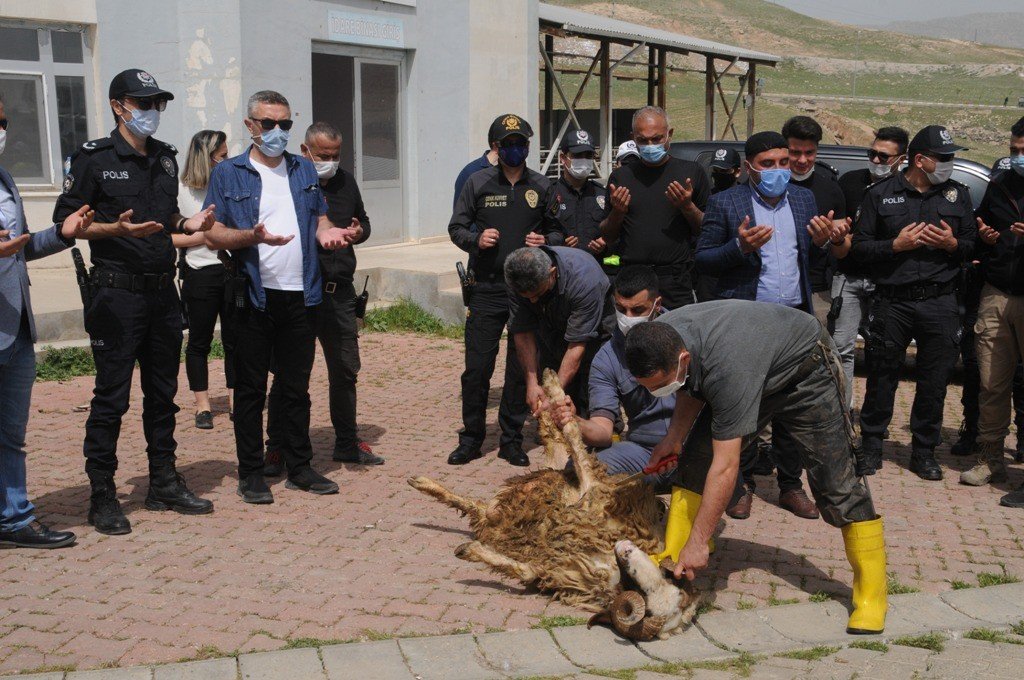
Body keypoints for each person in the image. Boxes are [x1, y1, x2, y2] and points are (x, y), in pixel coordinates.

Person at [624, 301, 886, 635]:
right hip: (750, 366)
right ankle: (675, 558)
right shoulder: (664, 337)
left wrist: (702, 539)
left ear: (682, 358)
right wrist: (674, 437)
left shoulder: (728, 368)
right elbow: (690, 384)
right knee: (694, 460)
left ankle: (872, 596)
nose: (657, 393)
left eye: (659, 385)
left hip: (806, 371)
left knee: (837, 483)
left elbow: (727, 466)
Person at [53, 69, 217, 535]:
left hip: (163, 292)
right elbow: (67, 224)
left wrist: (189, 224)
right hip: (116, 293)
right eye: (142, 103)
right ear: (117, 105)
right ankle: (102, 493)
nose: (151, 112)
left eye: (157, 104)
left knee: (163, 394)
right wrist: (114, 229)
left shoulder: (165, 160)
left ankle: (163, 480)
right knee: (111, 397)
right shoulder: (93, 159)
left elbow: (165, 217)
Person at [205, 90, 352, 503]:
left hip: (301, 295)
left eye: (284, 124)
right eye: (268, 124)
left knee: (295, 388)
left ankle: (300, 466)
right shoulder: (228, 173)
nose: (276, 132)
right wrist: (250, 236)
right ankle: (251, 472)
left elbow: (319, 219)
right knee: (250, 389)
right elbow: (211, 232)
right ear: (250, 126)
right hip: (252, 295)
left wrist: (331, 234)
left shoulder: (303, 169)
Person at [696, 130, 844, 521]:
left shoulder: (804, 198)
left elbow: (809, 254)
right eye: (768, 164)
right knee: (744, 406)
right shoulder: (725, 202)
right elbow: (704, 258)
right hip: (748, 322)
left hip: (794, 320)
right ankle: (741, 484)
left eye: (783, 162)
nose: (779, 170)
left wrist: (825, 240)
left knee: (792, 406)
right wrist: (739, 248)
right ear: (749, 168)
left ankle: (790, 486)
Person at [851, 125, 976, 480]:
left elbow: (972, 246)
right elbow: (860, 249)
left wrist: (952, 245)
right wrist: (895, 246)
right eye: (944, 158)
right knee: (881, 376)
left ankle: (923, 451)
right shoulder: (880, 194)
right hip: (892, 302)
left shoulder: (958, 195)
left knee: (935, 381)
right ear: (920, 160)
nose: (950, 164)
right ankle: (872, 446)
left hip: (940, 302)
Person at [0, 96, 94, 549]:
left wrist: (61, 233)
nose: (1, 129)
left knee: (10, 437)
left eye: (2, 120)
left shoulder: (5, 179)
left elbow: (19, 248)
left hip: (16, 328)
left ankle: (14, 520)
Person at [264, 122, 382, 476]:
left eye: (335, 155)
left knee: (345, 371)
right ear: (305, 151)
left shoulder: (347, 181)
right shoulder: (291, 180)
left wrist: (359, 232)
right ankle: (277, 447)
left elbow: (365, 223)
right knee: (287, 374)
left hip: (339, 294)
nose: (330, 162)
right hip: (299, 293)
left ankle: (346, 441)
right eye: (323, 155)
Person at [447, 114, 562, 467]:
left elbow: (560, 233)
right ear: (495, 148)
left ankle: (511, 440)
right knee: (478, 368)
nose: (516, 149)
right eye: (508, 144)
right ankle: (472, 438)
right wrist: (476, 239)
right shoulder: (476, 182)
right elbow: (456, 227)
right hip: (486, 289)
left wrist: (546, 241)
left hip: (527, 294)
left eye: (521, 143)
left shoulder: (542, 186)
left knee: (519, 368)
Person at [548, 265, 674, 489]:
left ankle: (735, 486)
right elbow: (603, 431)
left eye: (637, 310)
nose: (628, 318)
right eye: (621, 309)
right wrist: (574, 421)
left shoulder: (686, 334)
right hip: (645, 451)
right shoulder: (606, 358)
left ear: (657, 304)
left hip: (694, 447)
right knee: (579, 469)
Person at [962, 117, 1024, 492]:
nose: (1018, 157)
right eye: (1014, 149)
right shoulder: (1001, 184)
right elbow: (981, 227)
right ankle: (989, 459)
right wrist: (985, 236)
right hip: (997, 294)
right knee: (991, 383)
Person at [600, 106, 710, 309]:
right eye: (643, 140)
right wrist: (617, 212)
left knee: (679, 335)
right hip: (633, 277)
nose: (650, 145)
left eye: (657, 139)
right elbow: (608, 235)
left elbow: (706, 229)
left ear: (669, 135)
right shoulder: (621, 177)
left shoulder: (691, 173)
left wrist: (687, 207)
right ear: (633, 138)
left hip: (675, 279)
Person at [834, 127, 909, 412]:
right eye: (872, 153)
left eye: (884, 156)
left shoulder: (907, 189)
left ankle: (875, 417)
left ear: (901, 158)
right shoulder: (851, 182)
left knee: (884, 353)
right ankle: (843, 415)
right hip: (849, 277)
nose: (876, 160)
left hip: (886, 281)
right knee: (842, 349)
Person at [505, 246, 610, 424]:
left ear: (552, 273)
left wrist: (554, 393)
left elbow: (577, 346)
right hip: (550, 329)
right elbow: (522, 332)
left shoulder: (584, 278)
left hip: (593, 333)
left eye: (537, 294)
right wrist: (531, 382)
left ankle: (602, 432)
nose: (532, 301)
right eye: (526, 297)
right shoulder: (515, 276)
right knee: (550, 371)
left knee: (592, 385)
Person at [174, 130, 234, 430]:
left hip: (232, 272)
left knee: (237, 339)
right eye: (222, 155)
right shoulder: (181, 191)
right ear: (207, 157)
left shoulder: (229, 184)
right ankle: (203, 406)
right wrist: (205, 234)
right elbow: (168, 238)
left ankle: (237, 400)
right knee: (199, 341)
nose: (227, 160)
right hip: (200, 274)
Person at [782, 116, 848, 327]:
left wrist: (836, 239)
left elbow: (842, 251)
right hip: (774, 288)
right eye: (795, 152)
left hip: (816, 290)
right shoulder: (768, 185)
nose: (802, 160)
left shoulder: (830, 188)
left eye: (809, 153)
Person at [545, 129, 606, 260]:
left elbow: (614, 234)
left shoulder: (602, 194)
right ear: (563, 158)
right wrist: (559, 245)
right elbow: (542, 235)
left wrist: (605, 244)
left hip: (596, 269)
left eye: (588, 156)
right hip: (562, 269)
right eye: (577, 155)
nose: (583, 160)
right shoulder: (550, 193)